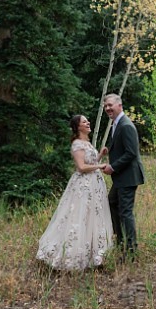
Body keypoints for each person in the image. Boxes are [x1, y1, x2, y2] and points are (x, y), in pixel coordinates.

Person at [36, 114, 113, 271]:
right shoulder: (77, 144)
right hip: (83, 186)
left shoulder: (87, 143)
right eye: (84, 121)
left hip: (94, 186)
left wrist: (100, 155)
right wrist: (100, 166)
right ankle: (72, 255)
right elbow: (82, 167)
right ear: (78, 127)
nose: (88, 122)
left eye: (87, 121)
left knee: (92, 217)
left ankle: (95, 256)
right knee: (80, 216)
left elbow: (90, 162)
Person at [100, 93, 145, 259]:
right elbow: (121, 146)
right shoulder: (116, 123)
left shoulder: (126, 125)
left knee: (126, 212)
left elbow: (131, 153)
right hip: (122, 177)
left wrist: (113, 167)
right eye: (105, 106)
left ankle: (131, 251)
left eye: (110, 105)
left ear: (119, 105)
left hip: (128, 176)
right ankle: (120, 241)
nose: (107, 108)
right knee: (112, 202)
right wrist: (109, 150)